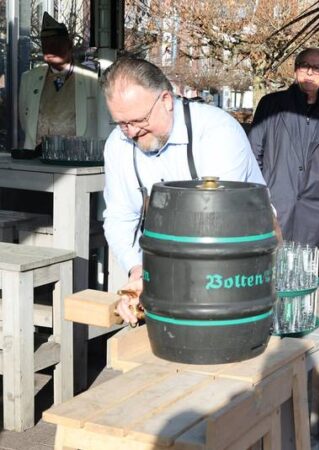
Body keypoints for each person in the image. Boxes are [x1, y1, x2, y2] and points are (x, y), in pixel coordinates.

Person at [101, 58, 265, 323]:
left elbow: (216, 222)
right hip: (168, 275)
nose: (131, 132)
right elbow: (120, 217)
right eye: (121, 123)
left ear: (166, 100)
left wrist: (158, 279)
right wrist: (138, 272)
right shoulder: (118, 144)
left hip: (237, 269)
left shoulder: (217, 132)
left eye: (138, 120)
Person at [248, 48, 319, 249]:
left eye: (317, 68)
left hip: (314, 210)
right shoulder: (272, 104)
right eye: (305, 66)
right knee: (270, 273)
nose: (310, 73)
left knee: (304, 275)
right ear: (295, 71)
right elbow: (252, 156)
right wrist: (258, 201)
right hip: (275, 205)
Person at [19, 12, 112, 150]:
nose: (50, 49)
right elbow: (25, 121)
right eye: (46, 44)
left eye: (56, 43)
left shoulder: (92, 78)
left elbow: (104, 120)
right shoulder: (29, 79)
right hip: (38, 161)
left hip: (79, 159)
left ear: (69, 44)